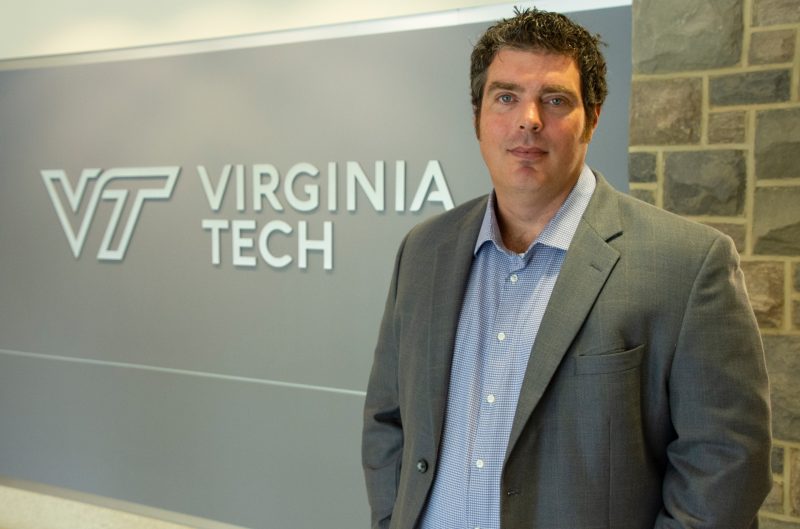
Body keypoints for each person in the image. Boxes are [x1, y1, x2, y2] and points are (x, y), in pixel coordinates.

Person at [362, 7, 771, 529]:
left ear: (593, 118)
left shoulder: (688, 265)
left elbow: (726, 462)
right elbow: (387, 421)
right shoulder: (424, 250)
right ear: (477, 118)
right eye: (506, 97)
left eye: (555, 100)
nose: (528, 119)